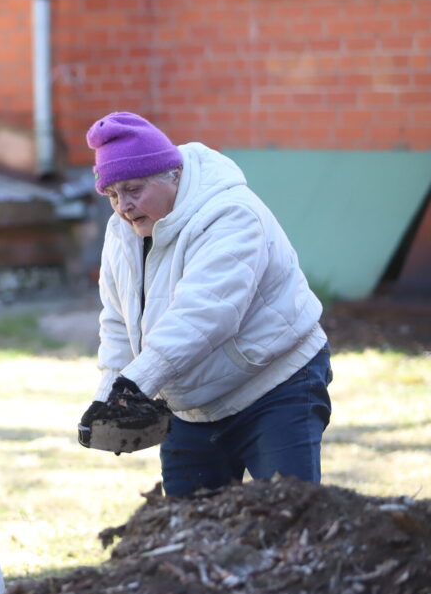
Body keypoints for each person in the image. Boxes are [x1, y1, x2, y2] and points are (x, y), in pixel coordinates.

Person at [80, 111, 332, 497]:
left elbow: (204, 314)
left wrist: (136, 383)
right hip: (191, 406)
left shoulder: (230, 214)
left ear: (172, 174)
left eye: (133, 189)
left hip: (276, 385)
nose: (123, 206)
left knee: (287, 520)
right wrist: (107, 398)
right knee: (189, 534)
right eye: (112, 195)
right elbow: (116, 320)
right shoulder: (121, 233)